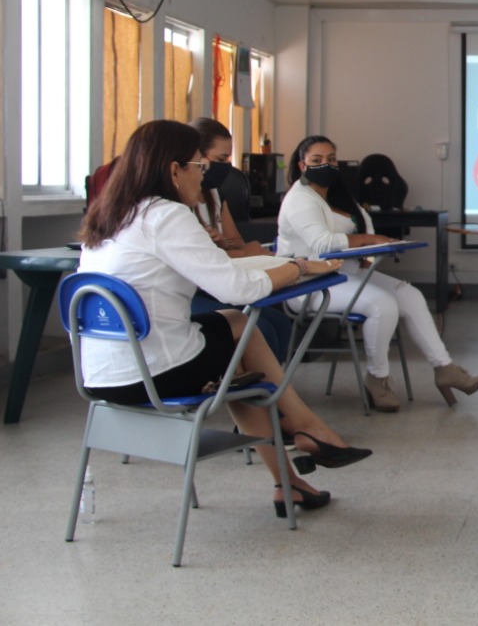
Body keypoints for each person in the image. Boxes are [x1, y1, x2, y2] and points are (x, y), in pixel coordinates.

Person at [77, 120, 371, 517]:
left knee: (237, 337)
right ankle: (306, 429)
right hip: (155, 373)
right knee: (241, 340)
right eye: (200, 166)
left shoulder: (111, 215)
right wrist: (299, 267)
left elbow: (222, 281)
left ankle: (292, 479)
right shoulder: (167, 216)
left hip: (100, 375)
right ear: (174, 170)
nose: (205, 176)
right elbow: (240, 289)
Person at [275, 135, 478, 412]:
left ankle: (445, 368)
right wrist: (365, 242)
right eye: (317, 160)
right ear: (302, 165)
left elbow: (366, 224)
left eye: (331, 159)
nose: (325, 165)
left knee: (409, 295)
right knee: (382, 304)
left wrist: (369, 251)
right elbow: (322, 244)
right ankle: (378, 378)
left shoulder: (338, 194)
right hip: (307, 285)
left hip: (346, 275)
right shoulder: (299, 199)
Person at [187, 117, 294, 363]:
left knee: (278, 321)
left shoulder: (213, 193)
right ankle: (260, 394)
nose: (227, 167)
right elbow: (213, 256)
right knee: (260, 328)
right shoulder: (174, 204)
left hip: (214, 282)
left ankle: (268, 391)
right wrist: (245, 252)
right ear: (197, 156)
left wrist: (235, 249)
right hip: (190, 292)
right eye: (222, 159)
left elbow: (234, 243)